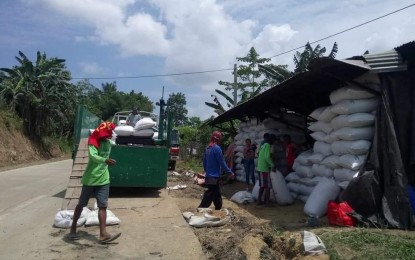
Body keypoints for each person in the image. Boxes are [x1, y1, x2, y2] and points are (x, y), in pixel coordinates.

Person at [68, 122, 121, 243]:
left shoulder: (108, 143)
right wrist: (105, 160)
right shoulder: (92, 143)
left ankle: (103, 234)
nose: (111, 134)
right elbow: (93, 157)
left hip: (104, 179)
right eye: (109, 132)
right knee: (81, 204)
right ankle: (73, 228)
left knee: (103, 206)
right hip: (90, 179)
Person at [199, 131, 234, 210]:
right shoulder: (217, 148)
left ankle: (218, 208)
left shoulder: (208, 148)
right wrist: (229, 172)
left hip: (209, 176)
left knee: (216, 193)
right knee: (210, 193)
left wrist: (206, 171)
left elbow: (204, 162)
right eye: (220, 138)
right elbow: (222, 162)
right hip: (214, 176)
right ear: (218, 139)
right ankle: (201, 208)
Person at [256, 134, 276, 206]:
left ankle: (259, 200)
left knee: (262, 186)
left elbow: (260, 155)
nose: (274, 142)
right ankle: (267, 202)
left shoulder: (263, 145)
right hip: (264, 168)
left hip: (260, 167)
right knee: (268, 186)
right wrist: (272, 165)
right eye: (273, 140)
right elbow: (267, 157)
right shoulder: (267, 145)